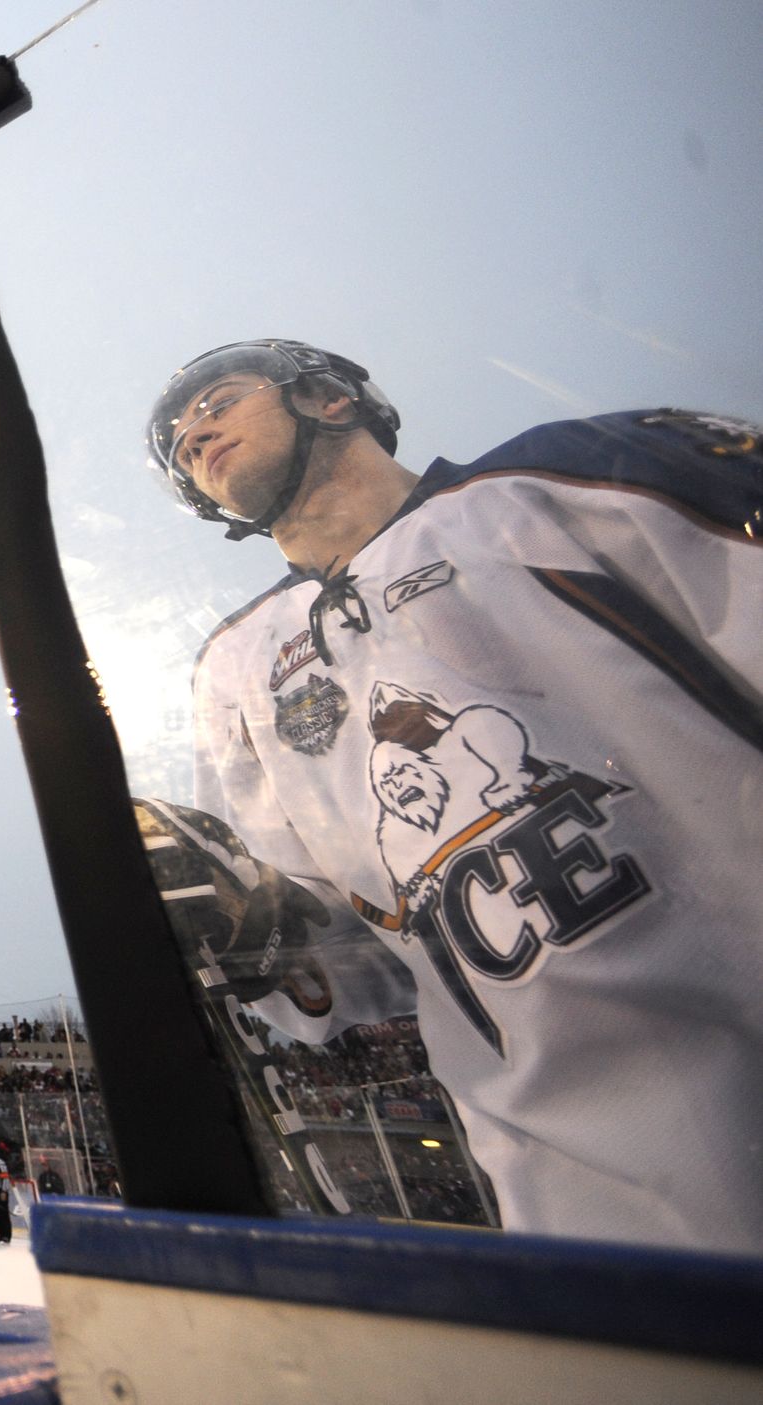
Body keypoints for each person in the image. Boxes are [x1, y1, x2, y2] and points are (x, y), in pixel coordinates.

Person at [145, 339, 763, 1249]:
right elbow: (355, 952)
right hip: (584, 1221)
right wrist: (248, 924)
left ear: (324, 396)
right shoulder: (237, 671)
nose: (193, 436)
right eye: (178, 443)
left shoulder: (571, 481)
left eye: (216, 402)